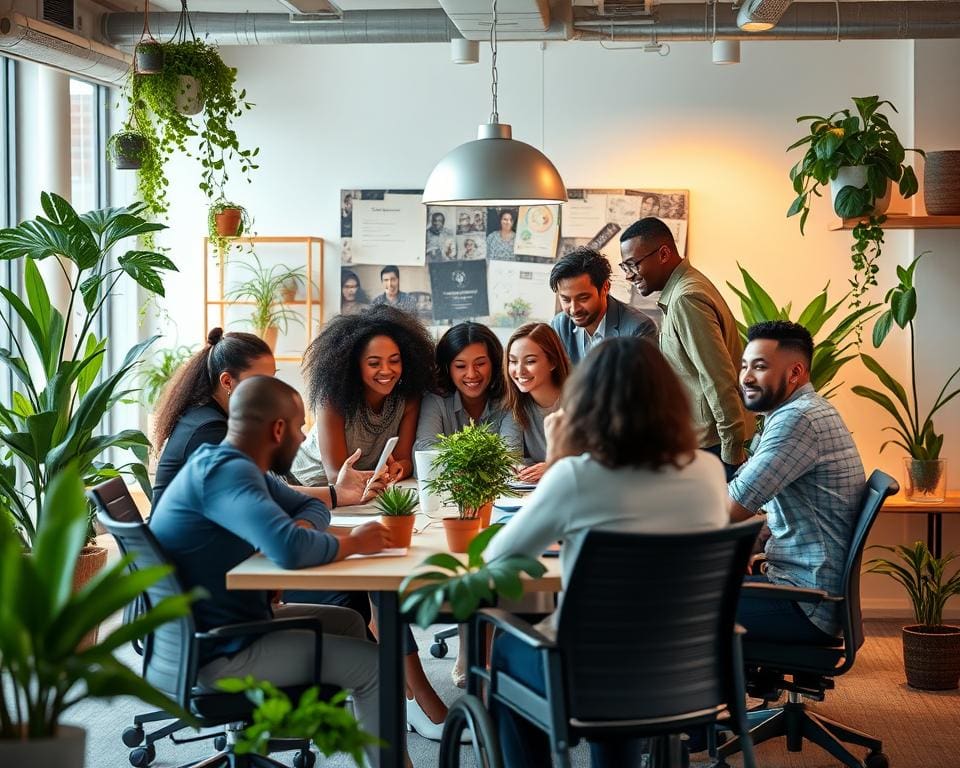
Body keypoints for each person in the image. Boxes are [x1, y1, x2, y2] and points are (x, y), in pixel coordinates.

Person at [484, 337, 728, 768]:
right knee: (617, 657)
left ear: (584, 401)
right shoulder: (709, 471)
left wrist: (560, 460)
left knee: (506, 646)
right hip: (683, 669)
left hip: (590, 679)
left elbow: (499, 558)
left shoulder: (577, 477)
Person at [149, 376, 391, 768]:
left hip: (226, 626)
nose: (301, 437)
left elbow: (309, 508)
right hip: (217, 651)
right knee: (377, 666)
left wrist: (302, 529)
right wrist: (355, 543)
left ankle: (298, 729)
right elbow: (290, 551)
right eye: (299, 427)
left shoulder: (233, 463)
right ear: (278, 429)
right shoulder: (226, 474)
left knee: (347, 621)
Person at [292, 305, 451, 737]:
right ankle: (416, 693)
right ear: (353, 364)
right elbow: (333, 473)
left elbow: (403, 459)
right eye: (375, 363)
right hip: (317, 502)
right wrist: (358, 485)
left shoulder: (409, 394)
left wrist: (397, 468)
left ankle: (405, 693)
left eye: (395, 361)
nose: (388, 371)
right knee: (378, 572)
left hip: (371, 498)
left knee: (390, 561)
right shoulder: (334, 398)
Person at [729, 321, 865, 643]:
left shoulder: (798, 419)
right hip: (805, 590)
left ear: (795, 373)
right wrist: (752, 539)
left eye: (760, 367)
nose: (746, 377)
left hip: (806, 602)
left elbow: (731, 506)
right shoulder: (805, 411)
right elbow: (792, 514)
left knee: (675, 608)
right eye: (745, 365)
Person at [151, 328, 372, 512]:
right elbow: (255, 492)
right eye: (260, 381)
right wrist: (336, 495)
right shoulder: (208, 430)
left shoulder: (227, 419)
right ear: (227, 381)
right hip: (182, 554)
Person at [619, 217, 753, 480]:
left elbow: (718, 378)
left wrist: (731, 455)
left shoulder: (685, 298)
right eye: (624, 266)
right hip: (703, 445)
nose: (628, 275)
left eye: (633, 264)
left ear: (664, 254)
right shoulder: (682, 290)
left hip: (714, 448)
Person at [549, 246, 656, 364]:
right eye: (566, 300)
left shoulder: (638, 329)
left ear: (605, 287)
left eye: (583, 298)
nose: (574, 309)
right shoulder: (559, 325)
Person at [503, 323, 571, 484]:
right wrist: (517, 467)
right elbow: (508, 454)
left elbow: (596, 458)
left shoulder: (579, 398)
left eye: (530, 361)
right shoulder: (515, 403)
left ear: (553, 362)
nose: (519, 371)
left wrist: (554, 467)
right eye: (513, 361)